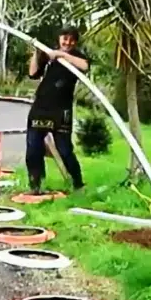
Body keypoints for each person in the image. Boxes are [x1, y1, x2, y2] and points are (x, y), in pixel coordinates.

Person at [25, 26, 89, 194]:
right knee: (33, 149)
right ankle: (36, 185)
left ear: (75, 42)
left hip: (61, 111)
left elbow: (85, 66)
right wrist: (37, 53)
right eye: (64, 38)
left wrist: (61, 55)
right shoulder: (48, 55)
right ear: (59, 38)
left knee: (65, 150)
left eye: (71, 40)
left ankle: (78, 183)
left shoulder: (76, 56)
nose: (67, 42)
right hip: (40, 108)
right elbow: (32, 73)